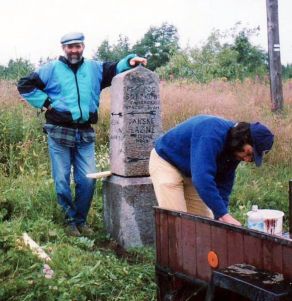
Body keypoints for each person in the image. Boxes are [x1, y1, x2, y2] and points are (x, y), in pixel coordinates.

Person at [17, 32, 147, 236]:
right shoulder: (50, 69)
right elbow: (24, 84)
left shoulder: (95, 68)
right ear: (63, 48)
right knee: (61, 180)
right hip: (58, 132)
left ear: (83, 47)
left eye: (77, 46)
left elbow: (115, 68)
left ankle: (81, 220)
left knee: (87, 179)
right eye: (70, 47)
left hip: (85, 133)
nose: (74, 50)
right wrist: (45, 103)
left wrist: (130, 60)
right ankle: (69, 221)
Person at [149, 114, 274, 226]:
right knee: (178, 224)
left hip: (191, 170)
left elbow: (224, 184)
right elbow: (202, 178)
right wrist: (224, 215)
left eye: (252, 158)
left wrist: (221, 215)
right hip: (167, 162)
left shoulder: (236, 149)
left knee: (205, 225)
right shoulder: (212, 132)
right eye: (249, 153)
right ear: (244, 138)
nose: (247, 160)